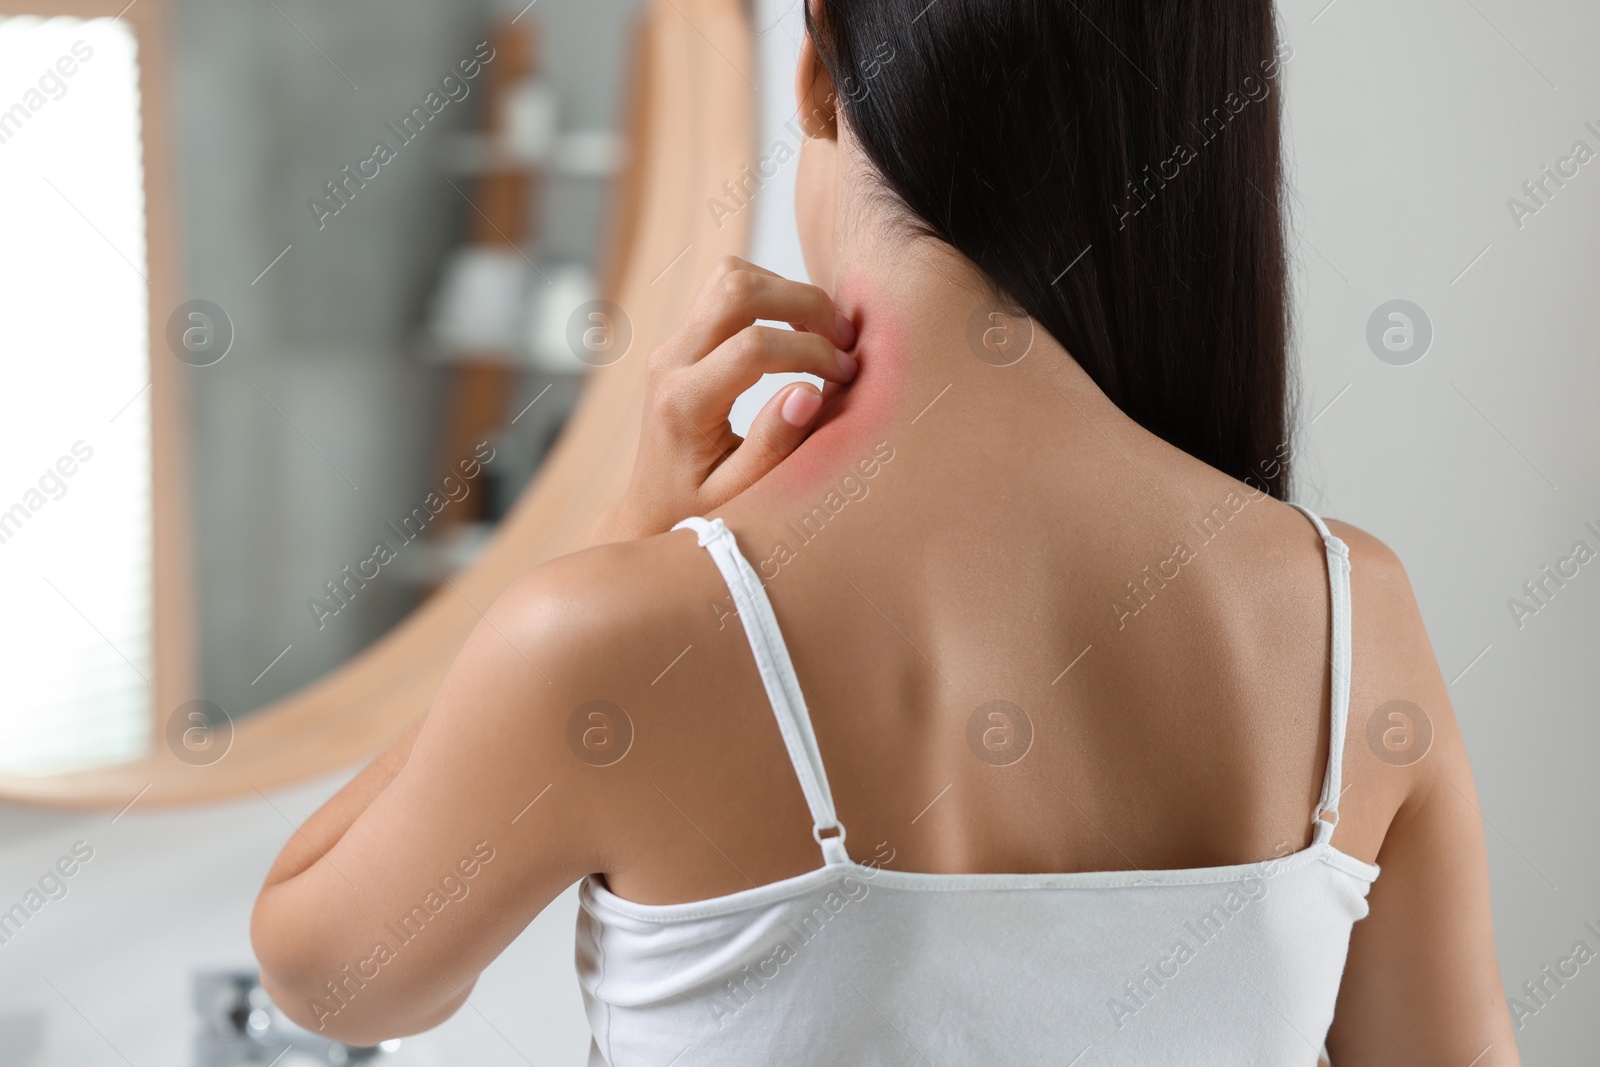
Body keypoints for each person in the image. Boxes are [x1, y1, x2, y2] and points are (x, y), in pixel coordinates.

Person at [252, 1, 1520, 1062]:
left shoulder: (621, 640)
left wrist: (618, 531)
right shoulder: (1355, 615)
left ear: (817, 71)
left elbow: (324, 974)